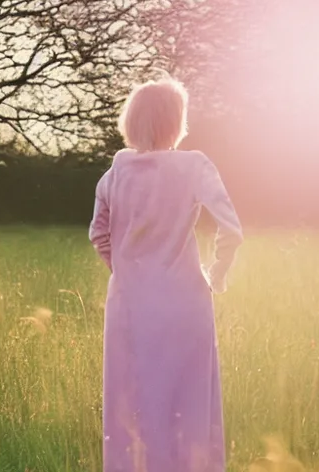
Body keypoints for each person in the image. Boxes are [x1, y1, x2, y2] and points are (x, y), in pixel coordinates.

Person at [89, 78, 243, 472]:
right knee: (189, 408)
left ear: (133, 121)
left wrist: (126, 273)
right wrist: (217, 275)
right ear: (177, 122)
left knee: (133, 409)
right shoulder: (193, 166)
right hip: (185, 305)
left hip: (129, 307)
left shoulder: (113, 175)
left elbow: (98, 235)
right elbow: (231, 228)